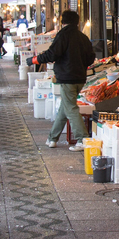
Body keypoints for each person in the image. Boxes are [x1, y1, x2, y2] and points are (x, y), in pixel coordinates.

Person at [27, 11, 95, 151]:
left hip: (67, 78)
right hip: (80, 78)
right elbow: (91, 58)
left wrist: (35, 59)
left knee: (70, 108)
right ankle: (52, 138)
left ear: (63, 22)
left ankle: (83, 139)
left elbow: (52, 53)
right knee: (64, 108)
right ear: (77, 22)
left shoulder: (63, 35)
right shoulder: (83, 37)